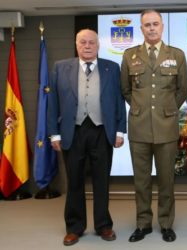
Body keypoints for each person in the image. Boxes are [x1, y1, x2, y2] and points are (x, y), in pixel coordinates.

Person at [47, 29, 127, 246]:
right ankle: (74, 227)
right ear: (76, 44)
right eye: (83, 42)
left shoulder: (112, 68)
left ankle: (103, 225)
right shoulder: (60, 68)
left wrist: (120, 131)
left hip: (102, 131)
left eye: (92, 42)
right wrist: (54, 133)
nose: (88, 46)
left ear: (98, 45)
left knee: (102, 181)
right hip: (72, 131)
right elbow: (52, 102)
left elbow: (119, 102)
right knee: (74, 181)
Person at [120, 9, 187, 243]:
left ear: (162, 27)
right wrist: (141, 109)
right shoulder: (130, 55)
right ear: (141, 29)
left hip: (166, 127)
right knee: (141, 181)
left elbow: (183, 90)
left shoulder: (176, 55)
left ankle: (166, 224)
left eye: (155, 24)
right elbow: (126, 91)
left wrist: (167, 109)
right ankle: (143, 224)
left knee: (166, 180)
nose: (151, 28)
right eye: (147, 25)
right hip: (139, 128)